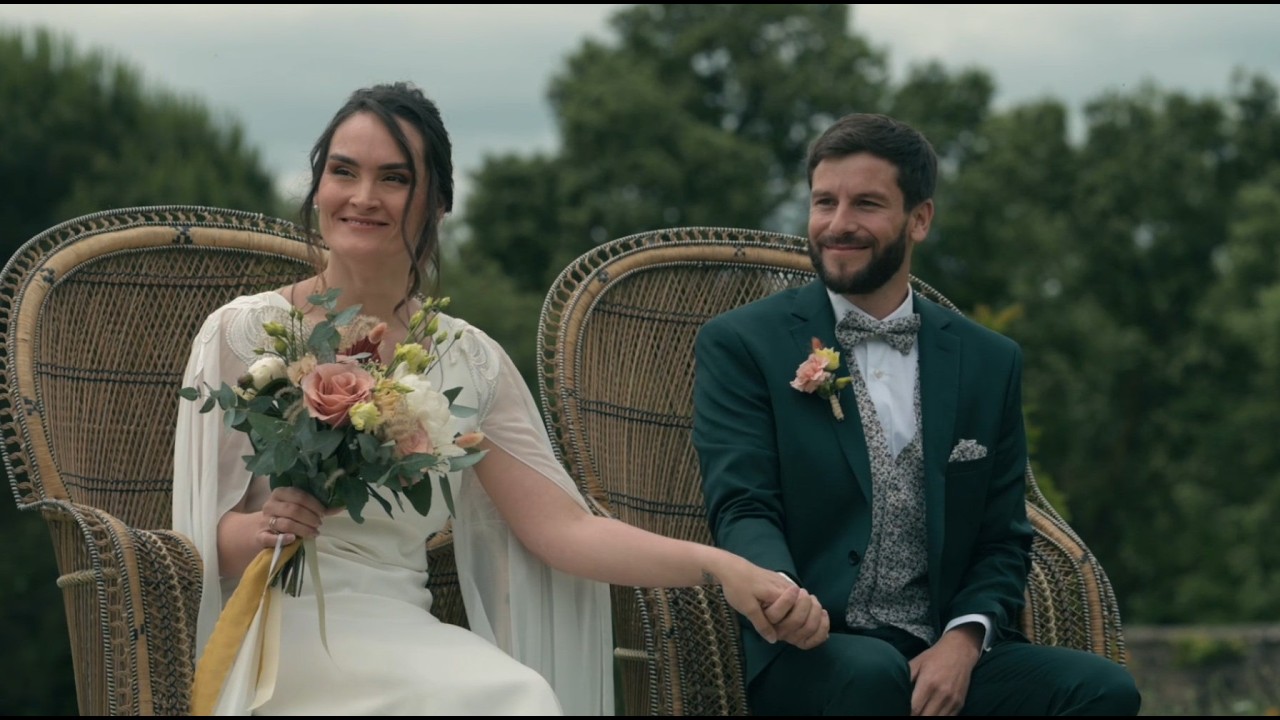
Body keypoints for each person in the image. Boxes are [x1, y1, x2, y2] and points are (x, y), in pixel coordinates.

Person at [171, 81, 823, 716]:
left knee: (515, 697)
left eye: (394, 178)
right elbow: (197, 539)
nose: (362, 197)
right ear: (318, 188)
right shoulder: (245, 333)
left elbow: (564, 530)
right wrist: (265, 530)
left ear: (439, 203)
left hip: (402, 626)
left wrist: (723, 568)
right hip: (279, 627)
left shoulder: (467, 360)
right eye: (344, 172)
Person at [691, 112, 1141, 716]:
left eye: (867, 204)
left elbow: (1002, 539)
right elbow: (742, 502)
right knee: (872, 673)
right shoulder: (743, 343)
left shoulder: (989, 359)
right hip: (811, 649)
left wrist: (963, 641)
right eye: (825, 202)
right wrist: (783, 595)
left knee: (1102, 691)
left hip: (941, 650)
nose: (838, 225)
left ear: (919, 219)